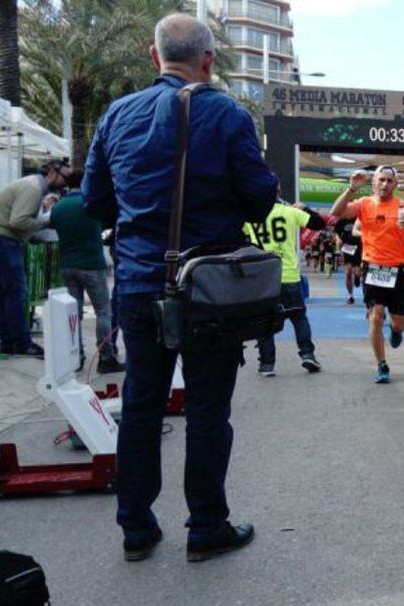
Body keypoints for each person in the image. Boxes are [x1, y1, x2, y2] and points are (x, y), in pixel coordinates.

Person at [82, 13, 278, 562]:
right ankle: (206, 526)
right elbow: (259, 198)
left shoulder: (116, 115)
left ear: (154, 57)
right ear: (209, 60)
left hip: (140, 284)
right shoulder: (227, 114)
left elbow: (95, 200)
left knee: (141, 405)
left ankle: (136, 529)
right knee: (209, 409)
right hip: (208, 289)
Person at [331, 167, 404, 382]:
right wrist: (350, 189)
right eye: (381, 180)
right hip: (373, 268)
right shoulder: (364, 203)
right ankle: (382, 364)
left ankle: (396, 330)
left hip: (398, 270)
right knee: (375, 317)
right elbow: (336, 212)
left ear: (395, 184)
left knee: (398, 323)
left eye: (389, 181)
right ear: (374, 182)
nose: (385, 184)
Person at [0, 160, 71, 357]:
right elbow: (18, 220)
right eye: (64, 178)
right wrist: (47, 223)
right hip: (1, 239)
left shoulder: (32, 185)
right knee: (17, 292)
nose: (65, 183)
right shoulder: (34, 188)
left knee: (3, 293)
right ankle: (23, 344)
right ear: (50, 173)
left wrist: (31, 235)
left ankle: (8, 343)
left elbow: (17, 220)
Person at [48, 172, 123, 373]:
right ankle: (106, 358)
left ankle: (76, 357)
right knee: (103, 312)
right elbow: (110, 226)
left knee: (74, 314)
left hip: (67, 266)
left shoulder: (58, 207)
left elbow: (51, 226)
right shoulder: (93, 204)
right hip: (92, 265)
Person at [245, 200, 325, 377]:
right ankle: (307, 354)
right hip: (288, 274)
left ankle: (267, 363)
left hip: (263, 276)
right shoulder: (289, 212)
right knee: (298, 318)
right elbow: (319, 223)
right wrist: (305, 208)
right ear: (279, 193)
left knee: (264, 322)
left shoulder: (250, 215)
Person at [332, 212, 363, 305]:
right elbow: (336, 233)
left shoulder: (359, 219)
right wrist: (338, 240)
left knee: (357, 271)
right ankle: (350, 296)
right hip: (347, 248)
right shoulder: (341, 221)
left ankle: (357, 276)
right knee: (348, 273)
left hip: (359, 247)